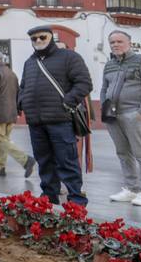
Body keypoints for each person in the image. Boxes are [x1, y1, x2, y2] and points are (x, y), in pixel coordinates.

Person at [17, 25, 92, 206]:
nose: (38, 41)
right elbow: (23, 86)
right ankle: (48, 198)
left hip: (60, 120)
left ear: (51, 37)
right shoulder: (29, 62)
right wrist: (21, 102)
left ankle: (76, 200)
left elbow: (84, 83)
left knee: (67, 161)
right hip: (36, 121)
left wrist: (67, 102)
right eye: (34, 39)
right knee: (44, 161)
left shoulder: (69, 57)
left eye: (42, 37)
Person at [100, 30, 141, 207]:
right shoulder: (109, 64)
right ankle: (132, 188)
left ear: (129, 43)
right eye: (112, 42)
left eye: (120, 41)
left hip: (134, 114)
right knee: (123, 153)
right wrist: (104, 107)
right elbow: (104, 88)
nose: (116, 45)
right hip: (113, 116)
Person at [0, 50, 35, 178]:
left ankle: (25, 160)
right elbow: (18, 93)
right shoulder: (11, 73)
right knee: (2, 140)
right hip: (10, 114)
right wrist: (18, 111)